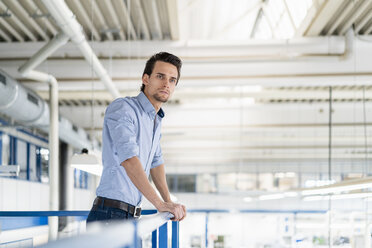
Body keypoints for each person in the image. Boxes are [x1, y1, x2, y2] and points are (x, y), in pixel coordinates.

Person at [86, 52, 187, 225]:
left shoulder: (155, 120)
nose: (166, 84)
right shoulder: (124, 108)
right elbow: (129, 159)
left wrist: (167, 201)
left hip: (130, 216)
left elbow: (156, 162)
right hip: (109, 214)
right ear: (145, 79)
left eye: (172, 80)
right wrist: (159, 204)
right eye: (160, 76)